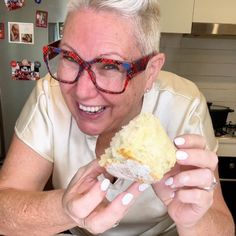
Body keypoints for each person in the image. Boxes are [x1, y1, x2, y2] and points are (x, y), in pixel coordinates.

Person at [0, 0, 234, 235]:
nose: (81, 91)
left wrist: (193, 222)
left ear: (151, 71)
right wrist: (66, 210)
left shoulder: (185, 105)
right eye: (70, 58)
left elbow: (223, 226)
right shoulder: (48, 95)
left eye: (110, 66)